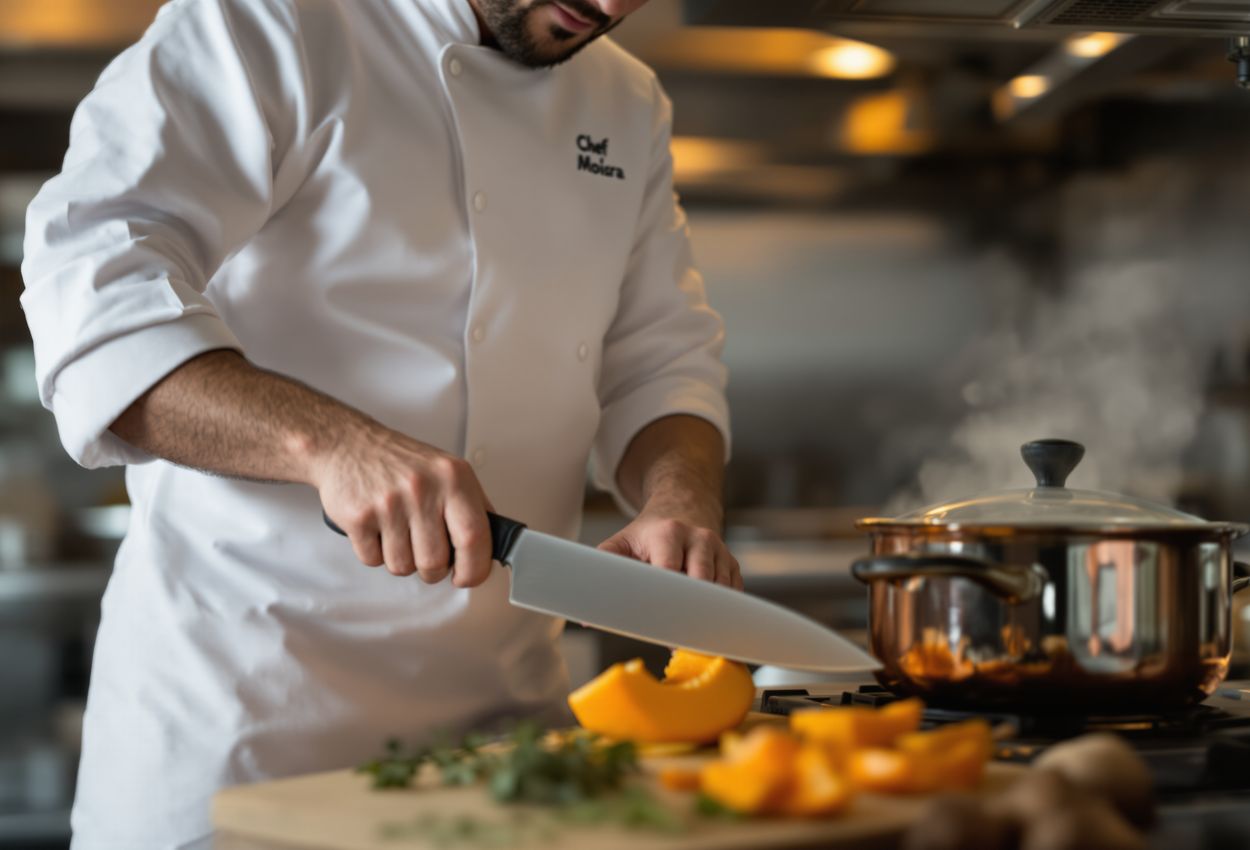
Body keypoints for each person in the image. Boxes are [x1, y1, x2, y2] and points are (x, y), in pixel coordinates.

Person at [21, 0, 735, 846]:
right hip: (243, 744)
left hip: (506, 747)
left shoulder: (627, 101)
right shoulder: (268, 24)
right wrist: (332, 447)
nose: (613, 5)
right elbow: (92, 293)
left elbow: (660, 360)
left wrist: (678, 497)